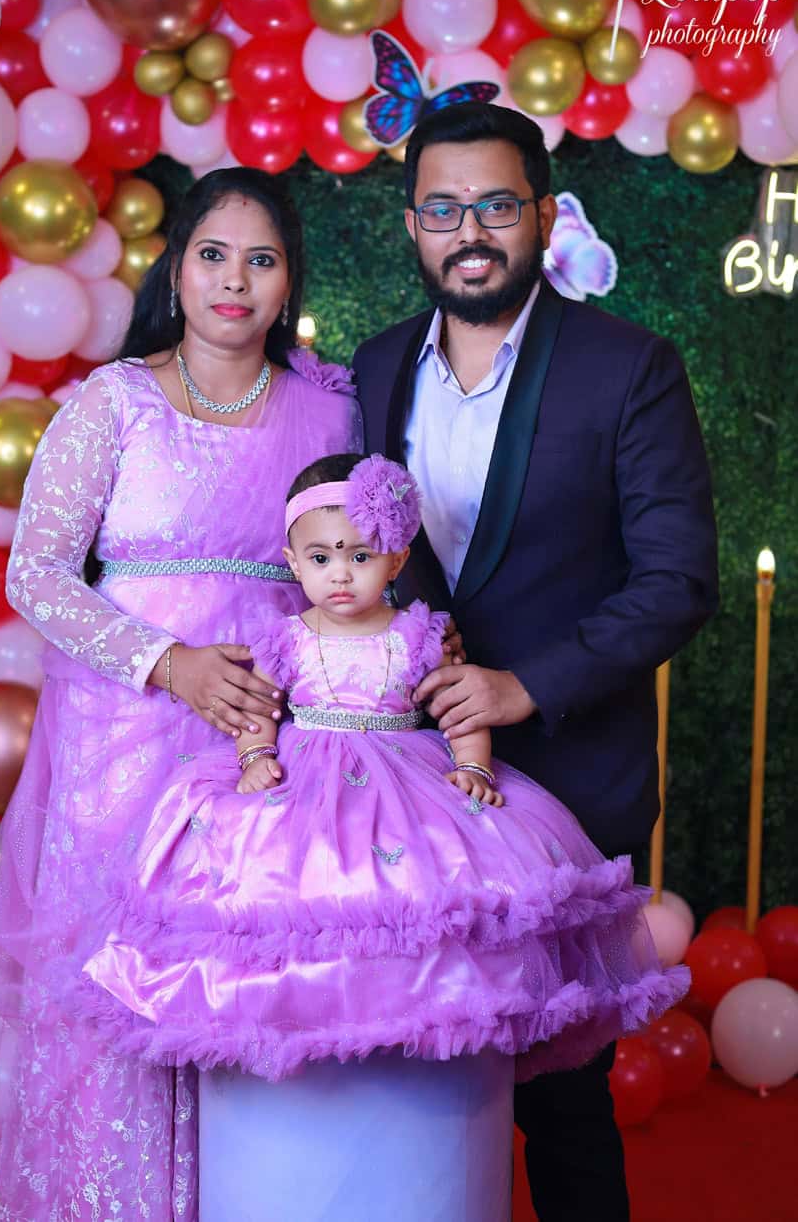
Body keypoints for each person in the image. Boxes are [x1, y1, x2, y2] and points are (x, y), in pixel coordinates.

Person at [77, 451, 687, 1222]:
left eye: (361, 557)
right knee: (291, 902)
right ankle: (308, 1069)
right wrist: (257, 756)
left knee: (427, 904)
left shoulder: (421, 634)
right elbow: (261, 711)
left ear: (396, 557)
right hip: (307, 778)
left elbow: (456, 708)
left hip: (409, 777)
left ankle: (413, 1083)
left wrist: (470, 765)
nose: (341, 576)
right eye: (322, 558)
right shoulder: (287, 638)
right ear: (292, 560)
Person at [0, 167, 362, 1221]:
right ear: (176, 270)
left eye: (262, 259)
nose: (236, 280)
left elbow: (358, 560)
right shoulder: (113, 403)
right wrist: (167, 661)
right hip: (124, 740)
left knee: (245, 984)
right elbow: (35, 572)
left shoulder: (328, 408)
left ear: (288, 284)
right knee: (112, 999)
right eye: (214, 255)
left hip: (268, 742)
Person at [352, 102, 719, 1222]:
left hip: (569, 779)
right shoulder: (371, 369)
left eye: (497, 205)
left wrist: (525, 684)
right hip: (402, 789)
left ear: (542, 217)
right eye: (444, 208)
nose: (471, 230)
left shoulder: (628, 367)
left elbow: (676, 578)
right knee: (405, 1075)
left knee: (561, 1095)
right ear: (413, 225)